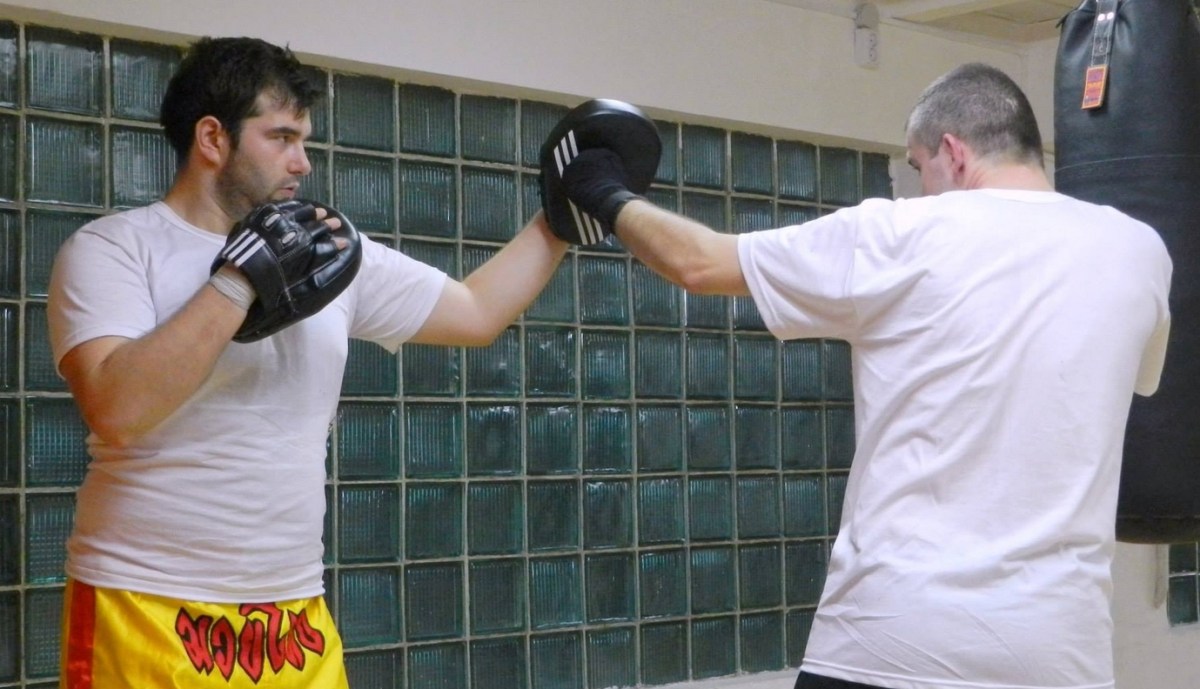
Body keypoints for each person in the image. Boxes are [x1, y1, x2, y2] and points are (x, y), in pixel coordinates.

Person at [555, 63, 1172, 689]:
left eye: (918, 166)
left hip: (891, 640)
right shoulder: (1138, 249)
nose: (920, 189)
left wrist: (599, 188)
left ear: (953, 153)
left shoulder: (898, 233)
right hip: (1061, 654)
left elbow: (699, 263)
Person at [47, 36, 569, 688]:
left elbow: (477, 312)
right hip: (146, 603)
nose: (302, 162)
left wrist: (560, 218)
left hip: (293, 616)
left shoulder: (329, 254)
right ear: (212, 138)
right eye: (282, 137)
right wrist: (239, 279)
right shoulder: (114, 249)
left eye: (304, 140)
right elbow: (118, 408)